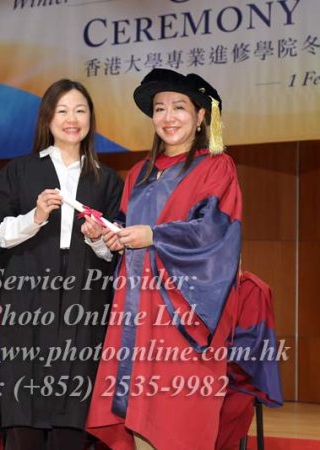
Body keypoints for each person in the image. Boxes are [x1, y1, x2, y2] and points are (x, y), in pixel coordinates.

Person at [85, 68, 242, 450]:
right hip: (135, 308)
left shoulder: (216, 166)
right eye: (159, 109)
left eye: (179, 107)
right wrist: (104, 236)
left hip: (185, 310)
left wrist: (154, 235)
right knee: (135, 410)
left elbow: (213, 232)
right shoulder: (138, 173)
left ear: (201, 115)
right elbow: (126, 230)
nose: (168, 117)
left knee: (175, 416)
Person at [0, 79, 123, 450]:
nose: (71, 119)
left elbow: (114, 253)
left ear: (91, 119)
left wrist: (97, 237)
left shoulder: (106, 180)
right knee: (24, 399)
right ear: (47, 118)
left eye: (80, 111)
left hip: (82, 300)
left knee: (73, 403)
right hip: (28, 295)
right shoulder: (18, 172)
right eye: (62, 111)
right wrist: (37, 215)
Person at [216, 269, 283, 450]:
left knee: (224, 405)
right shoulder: (201, 287)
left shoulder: (252, 289)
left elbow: (248, 347)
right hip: (205, 370)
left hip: (239, 375)